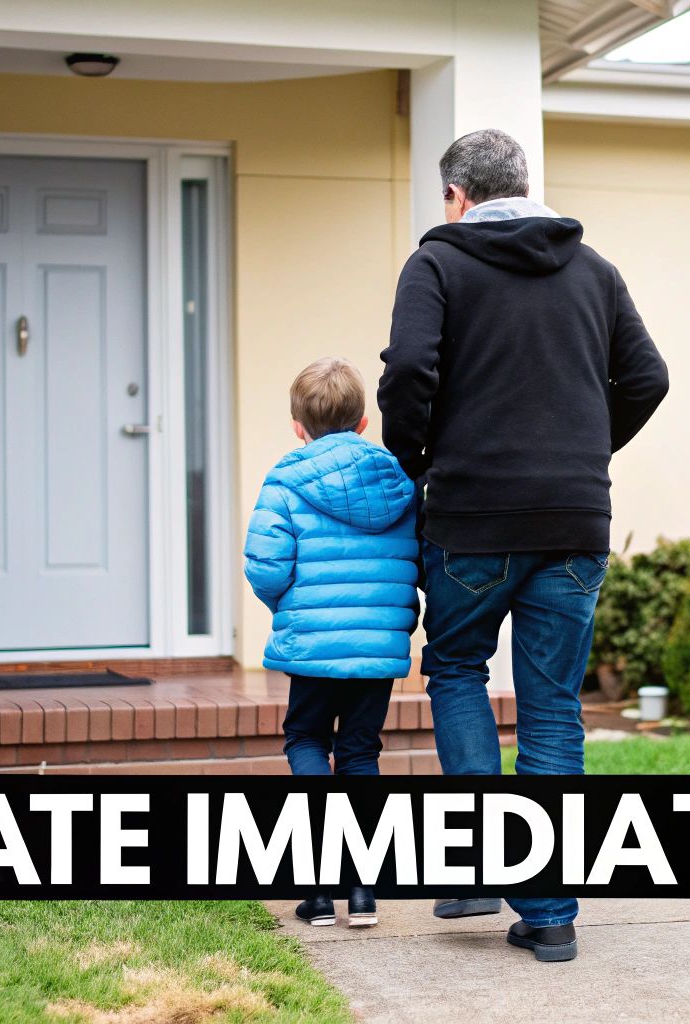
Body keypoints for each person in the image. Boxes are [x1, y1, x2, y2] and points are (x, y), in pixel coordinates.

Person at [378, 128, 670, 962]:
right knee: (553, 707)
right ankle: (549, 911)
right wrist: (583, 454)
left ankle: (475, 867)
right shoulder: (594, 271)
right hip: (575, 522)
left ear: (457, 198)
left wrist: (417, 464)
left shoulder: (436, 265)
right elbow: (647, 378)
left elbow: (408, 377)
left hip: (472, 519)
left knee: (459, 669)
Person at [243, 356, 420, 932]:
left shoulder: (285, 480)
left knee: (306, 739)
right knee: (362, 754)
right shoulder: (398, 480)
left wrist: (292, 610)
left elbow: (266, 568)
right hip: (375, 650)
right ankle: (363, 891)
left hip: (312, 646)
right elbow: (414, 561)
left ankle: (318, 891)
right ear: (364, 422)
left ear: (298, 425)